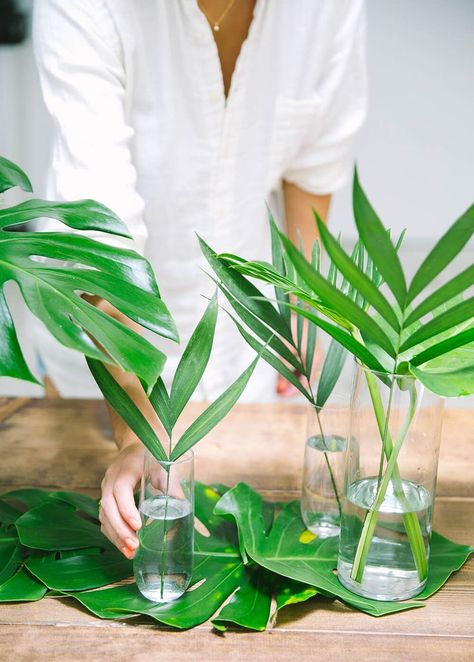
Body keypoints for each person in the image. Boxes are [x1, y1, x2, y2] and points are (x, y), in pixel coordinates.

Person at [33, 0, 367, 558]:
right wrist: (135, 432)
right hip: (103, 369)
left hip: (247, 356)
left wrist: (301, 318)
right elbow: (100, 249)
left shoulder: (328, 10)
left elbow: (312, 169)